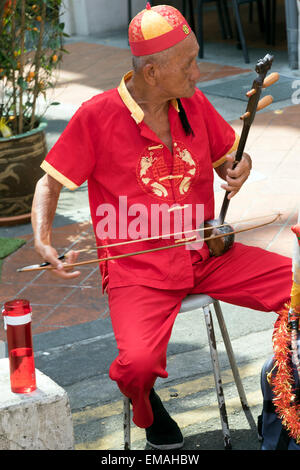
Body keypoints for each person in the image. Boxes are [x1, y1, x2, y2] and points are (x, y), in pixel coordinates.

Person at [31, 3, 292, 450]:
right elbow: (48, 182)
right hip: (139, 270)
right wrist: (41, 240)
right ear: (151, 72)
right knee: (136, 367)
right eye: (188, 63)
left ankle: (288, 396)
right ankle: (147, 406)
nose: (196, 72)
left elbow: (230, 156)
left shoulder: (191, 100)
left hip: (206, 253)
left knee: (298, 289)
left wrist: (239, 166)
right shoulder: (97, 115)